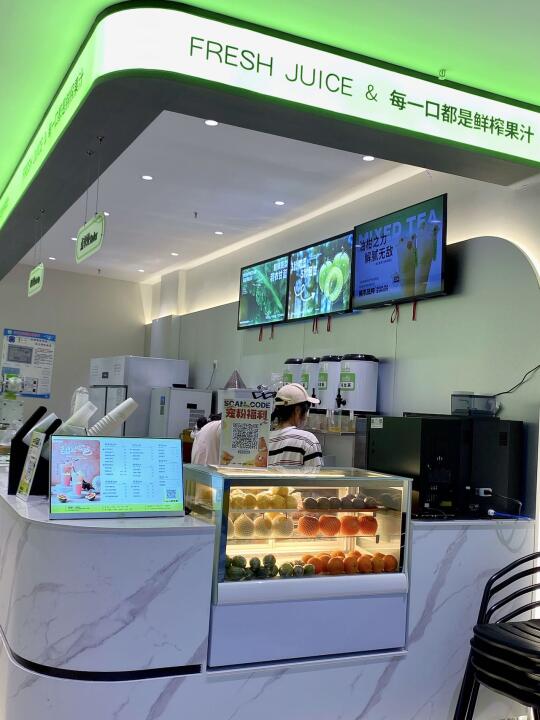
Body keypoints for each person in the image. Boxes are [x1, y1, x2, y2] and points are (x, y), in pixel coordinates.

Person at [268, 383, 323, 468]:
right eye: (306, 411)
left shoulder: (266, 439)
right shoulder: (307, 440)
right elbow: (315, 475)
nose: (306, 417)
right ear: (297, 411)